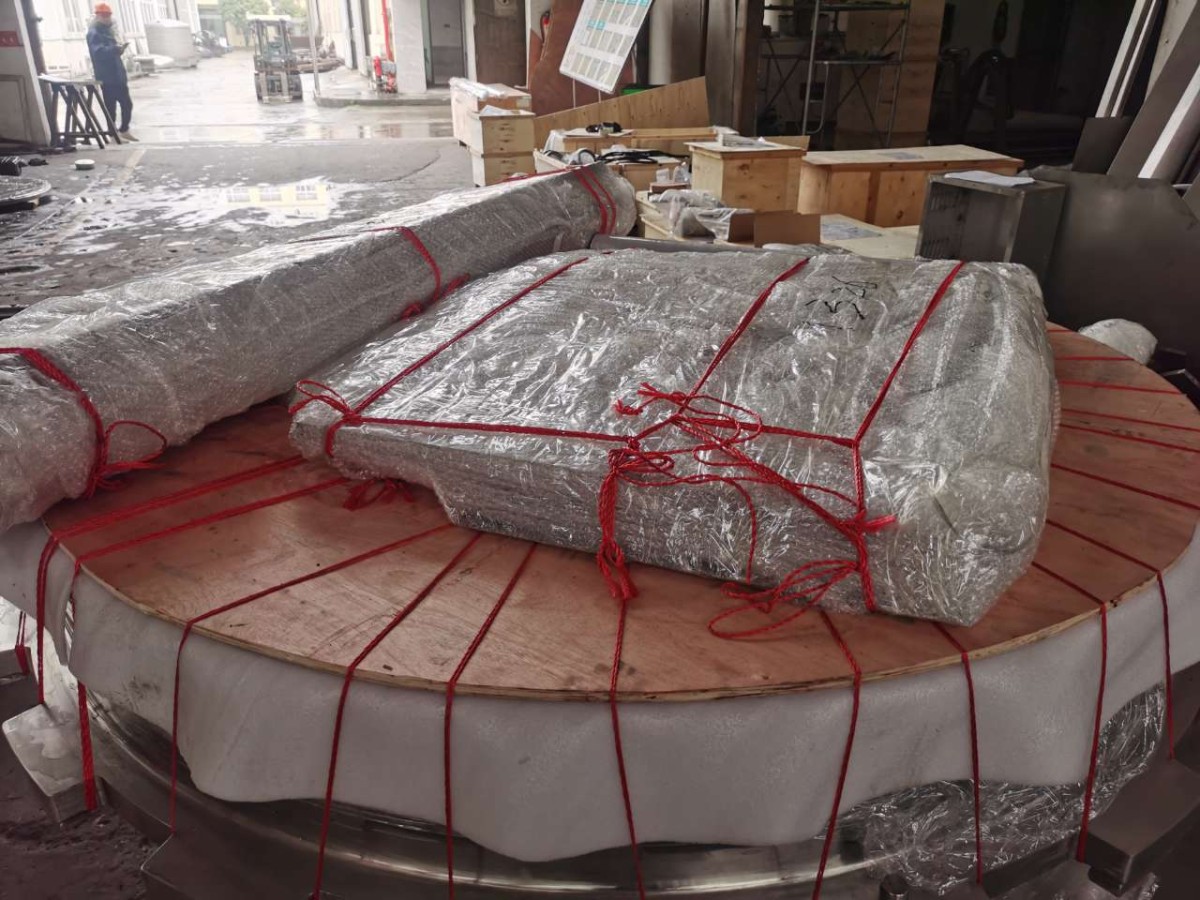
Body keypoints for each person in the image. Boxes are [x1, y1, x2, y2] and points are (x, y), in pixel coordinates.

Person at [87, 3, 133, 135]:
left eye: (108, 15)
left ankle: (123, 128)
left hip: (117, 75)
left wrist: (119, 49)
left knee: (126, 104)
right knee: (111, 106)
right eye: (104, 16)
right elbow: (98, 52)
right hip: (108, 77)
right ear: (98, 16)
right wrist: (115, 49)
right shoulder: (94, 33)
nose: (107, 18)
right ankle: (113, 130)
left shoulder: (107, 31)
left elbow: (109, 51)